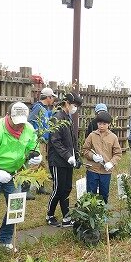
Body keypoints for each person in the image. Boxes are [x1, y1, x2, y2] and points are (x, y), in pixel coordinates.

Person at [0, 102, 41, 261]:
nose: (19, 126)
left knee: (16, 206)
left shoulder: (29, 129)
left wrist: (36, 157)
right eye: (16, 122)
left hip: (14, 173)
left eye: (22, 123)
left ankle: (4, 239)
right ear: (8, 116)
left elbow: (33, 148)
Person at [47, 93, 83, 227]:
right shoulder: (57, 118)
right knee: (58, 189)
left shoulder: (68, 117)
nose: (75, 108)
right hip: (57, 161)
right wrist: (68, 156)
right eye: (74, 105)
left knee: (67, 188)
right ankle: (49, 215)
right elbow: (55, 141)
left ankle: (66, 218)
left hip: (68, 160)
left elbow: (72, 140)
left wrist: (76, 156)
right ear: (67, 103)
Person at [82, 110, 122, 203]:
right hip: (92, 169)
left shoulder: (113, 137)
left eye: (104, 124)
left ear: (108, 124)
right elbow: (85, 150)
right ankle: (91, 213)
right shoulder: (92, 135)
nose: (101, 126)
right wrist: (92, 156)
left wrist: (111, 163)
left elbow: (118, 153)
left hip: (106, 171)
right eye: (99, 123)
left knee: (104, 193)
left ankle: (102, 213)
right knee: (91, 193)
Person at [27, 86, 56, 196]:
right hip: (37, 140)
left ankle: (41, 186)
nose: (53, 99)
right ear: (48, 97)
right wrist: (36, 133)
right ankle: (27, 189)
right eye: (52, 97)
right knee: (34, 164)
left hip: (44, 141)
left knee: (43, 164)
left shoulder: (45, 109)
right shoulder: (38, 108)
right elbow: (29, 120)